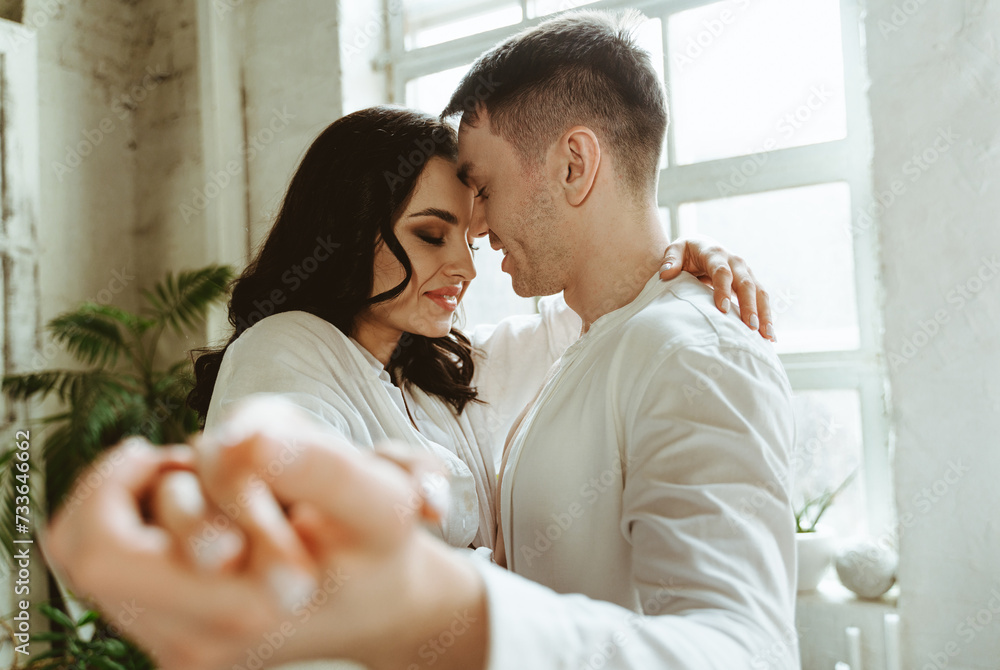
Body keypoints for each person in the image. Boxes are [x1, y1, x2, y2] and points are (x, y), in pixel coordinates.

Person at [42, 9, 795, 670]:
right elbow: (277, 535)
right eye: (436, 232)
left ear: (575, 166)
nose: (475, 249)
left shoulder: (471, 369)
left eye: (480, 202)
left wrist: (689, 265)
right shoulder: (292, 350)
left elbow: (746, 651)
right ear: (349, 230)